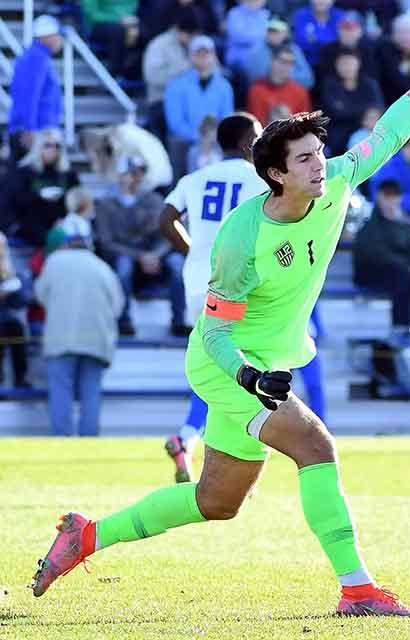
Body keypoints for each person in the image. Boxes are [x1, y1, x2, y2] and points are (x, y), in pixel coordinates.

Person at [29, 44, 410, 615]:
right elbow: (216, 335)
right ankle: (358, 589)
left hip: (270, 366)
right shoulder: (241, 239)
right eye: (305, 160)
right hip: (229, 367)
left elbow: (389, 133)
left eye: (320, 153)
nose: (321, 164)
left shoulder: (338, 181)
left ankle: (87, 535)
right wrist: (248, 375)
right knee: (316, 445)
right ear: (274, 174)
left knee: (217, 501)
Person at [158, 113, 268, 483]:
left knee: (214, 368)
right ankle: (219, 456)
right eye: (259, 135)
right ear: (246, 143)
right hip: (238, 285)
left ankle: (189, 439)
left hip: (196, 285)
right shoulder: (261, 178)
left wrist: (192, 251)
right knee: (243, 371)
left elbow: (165, 218)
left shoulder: (194, 178)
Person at [34, 230, 124, 437]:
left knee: (60, 392)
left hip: (60, 338)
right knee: (90, 393)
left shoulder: (55, 262)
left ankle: (62, 440)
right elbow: (118, 306)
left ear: (67, 245)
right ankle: (88, 441)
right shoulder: (103, 267)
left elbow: (40, 295)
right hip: (96, 341)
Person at [96, 155, 186, 337]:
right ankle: (124, 321)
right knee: (123, 268)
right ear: (121, 175)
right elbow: (107, 242)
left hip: (154, 254)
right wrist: (140, 256)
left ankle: (179, 320)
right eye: (132, 173)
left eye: (140, 173)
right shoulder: (105, 203)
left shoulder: (154, 199)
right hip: (126, 254)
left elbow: (169, 232)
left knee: (177, 265)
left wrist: (156, 255)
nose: (137, 177)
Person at [353, 179, 410, 329]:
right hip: (372, 272)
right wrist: (409, 267)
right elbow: (374, 252)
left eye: (394, 196)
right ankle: (401, 330)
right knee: (401, 276)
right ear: (379, 197)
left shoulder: (406, 222)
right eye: (387, 196)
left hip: (400, 271)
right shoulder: (369, 220)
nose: (391, 200)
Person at [164, 35, 235, 180]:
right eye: (198, 53)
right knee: (180, 144)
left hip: (215, 140)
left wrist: (213, 138)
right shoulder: (176, 85)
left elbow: (227, 118)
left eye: (207, 53)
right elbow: (175, 123)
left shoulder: (224, 86)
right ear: (190, 56)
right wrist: (200, 139)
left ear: (213, 55)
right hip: (188, 141)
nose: (203, 57)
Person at [5, 129, 79, 249]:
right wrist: (39, 196)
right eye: (47, 145)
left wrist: (64, 220)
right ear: (38, 147)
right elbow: (17, 203)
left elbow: (78, 199)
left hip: (61, 222)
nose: (52, 149)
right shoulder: (24, 172)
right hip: (31, 223)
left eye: (57, 146)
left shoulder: (69, 174)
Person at [8, 15, 63, 165]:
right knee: (22, 184)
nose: (60, 39)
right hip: (35, 131)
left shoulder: (39, 57)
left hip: (39, 129)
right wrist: (30, 128)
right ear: (46, 37)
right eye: (57, 34)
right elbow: (28, 97)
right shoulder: (35, 59)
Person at [142, 9, 199, 138]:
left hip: (193, 99)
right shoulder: (159, 45)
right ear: (179, 30)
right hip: (162, 99)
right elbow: (151, 76)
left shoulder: (199, 45)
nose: (191, 40)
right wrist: (181, 75)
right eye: (189, 36)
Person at [317, 49, 384, 156]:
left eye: (350, 63)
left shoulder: (369, 84)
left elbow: (378, 108)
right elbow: (336, 113)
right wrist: (364, 112)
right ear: (336, 65)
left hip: (366, 130)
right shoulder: (329, 85)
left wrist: (349, 109)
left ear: (358, 63)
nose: (347, 67)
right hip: (338, 133)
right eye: (343, 63)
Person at [368, 129, 410, 222]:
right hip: (388, 220)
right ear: (402, 148)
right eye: (409, 146)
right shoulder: (386, 169)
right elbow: (379, 201)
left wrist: (401, 200)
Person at [246, 47, 312, 127]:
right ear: (272, 61)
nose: (286, 67)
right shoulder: (256, 90)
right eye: (282, 61)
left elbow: (305, 126)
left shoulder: (301, 92)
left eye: (290, 63)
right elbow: (256, 126)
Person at [375, 14, 410, 105]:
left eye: (408, 32)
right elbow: (396, 80)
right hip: (392, 102)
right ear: (393, 35)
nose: (404, 37)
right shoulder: (384, 53)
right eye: (400, 32)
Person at [245, 18, 315, 89]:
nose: (273, 34)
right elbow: (260, 79)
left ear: (286, 33)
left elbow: (308, 79)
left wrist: (282, 74)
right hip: (266, 94)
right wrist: (289, 74)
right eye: (270, 31)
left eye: (278, 31)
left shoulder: (294, 49)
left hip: (291, 93)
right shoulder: (257, 50)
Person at [0, 233, 29, 389]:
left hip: (6, 317)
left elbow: (22, 300)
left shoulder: (10, 268)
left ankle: (21, 379)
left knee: (16, 329)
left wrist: (12, 291)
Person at [292, 0, 345, 66]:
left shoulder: (341, 16)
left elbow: (342, 42)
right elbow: (301, 41)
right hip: (307, 63)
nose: (321, 1)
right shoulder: (301, 15)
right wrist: (328, 41)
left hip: (335, 63)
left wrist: (315, 39)